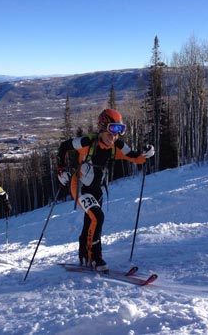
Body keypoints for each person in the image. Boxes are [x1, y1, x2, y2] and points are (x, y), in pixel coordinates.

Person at [56, 109, 155, 271]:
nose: (114, 138)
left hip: (97, 190)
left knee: (91, 221)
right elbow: (64, 147)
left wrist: (146, 154)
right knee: (98, 217)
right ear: (102, 129)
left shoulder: (117, 147)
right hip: (79, 186)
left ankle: (83, 254)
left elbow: (135, 157)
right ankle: (95, 257)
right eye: (110, 132)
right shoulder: (86, 143)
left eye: (118, 133)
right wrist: (61, 170)